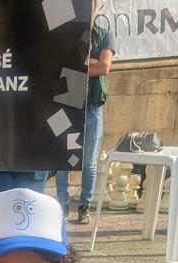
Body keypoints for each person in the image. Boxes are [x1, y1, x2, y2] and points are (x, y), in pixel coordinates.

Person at [51, 0, 115, 225]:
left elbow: (105, 67)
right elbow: (58, 66)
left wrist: (79, 66)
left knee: (89, 162)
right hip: (67, 104)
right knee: (63, 160)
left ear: (97, 6)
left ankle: (84, 207)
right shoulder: (66, 32)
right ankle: (61, 206)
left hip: (92, 107)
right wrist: (90, 64)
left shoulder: (104, 34)